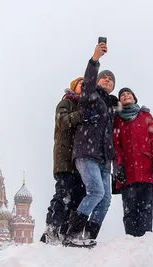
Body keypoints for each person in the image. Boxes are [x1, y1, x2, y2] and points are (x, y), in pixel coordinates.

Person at [63, 42, 118, 247]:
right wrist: (95, 60)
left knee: (105, 200)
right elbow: (87, 82)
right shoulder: (91, 96)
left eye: (111, 79)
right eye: (104, 76)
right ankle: (72, 235)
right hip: (86, 153)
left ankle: (88, 236)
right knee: (96, 192)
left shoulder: (111, 107)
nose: (107, 80)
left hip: (104, 159)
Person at [40, 77, 99, 244]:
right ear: (74, 87)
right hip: (65, 158)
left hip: (80, 161)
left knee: (77, 198)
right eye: (81, 84)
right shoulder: (66, 103)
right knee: (63, 194)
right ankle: (51, 231)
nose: (84, 86)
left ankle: (66, 233)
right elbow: (62, 121)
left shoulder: (87, 108)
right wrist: (82, 114)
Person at [113, 87, 153, 237]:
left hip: (146, 168)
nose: (125, 95)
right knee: (129, 209)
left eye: (128, 94)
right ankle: (131, 242)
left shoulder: (145, 116)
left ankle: (145, 241)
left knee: (146, 208)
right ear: (120, 102)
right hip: (127, 171)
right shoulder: (117, 120)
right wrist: (118, 166)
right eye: (122, 95)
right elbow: (116, 145)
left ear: (134, 99)